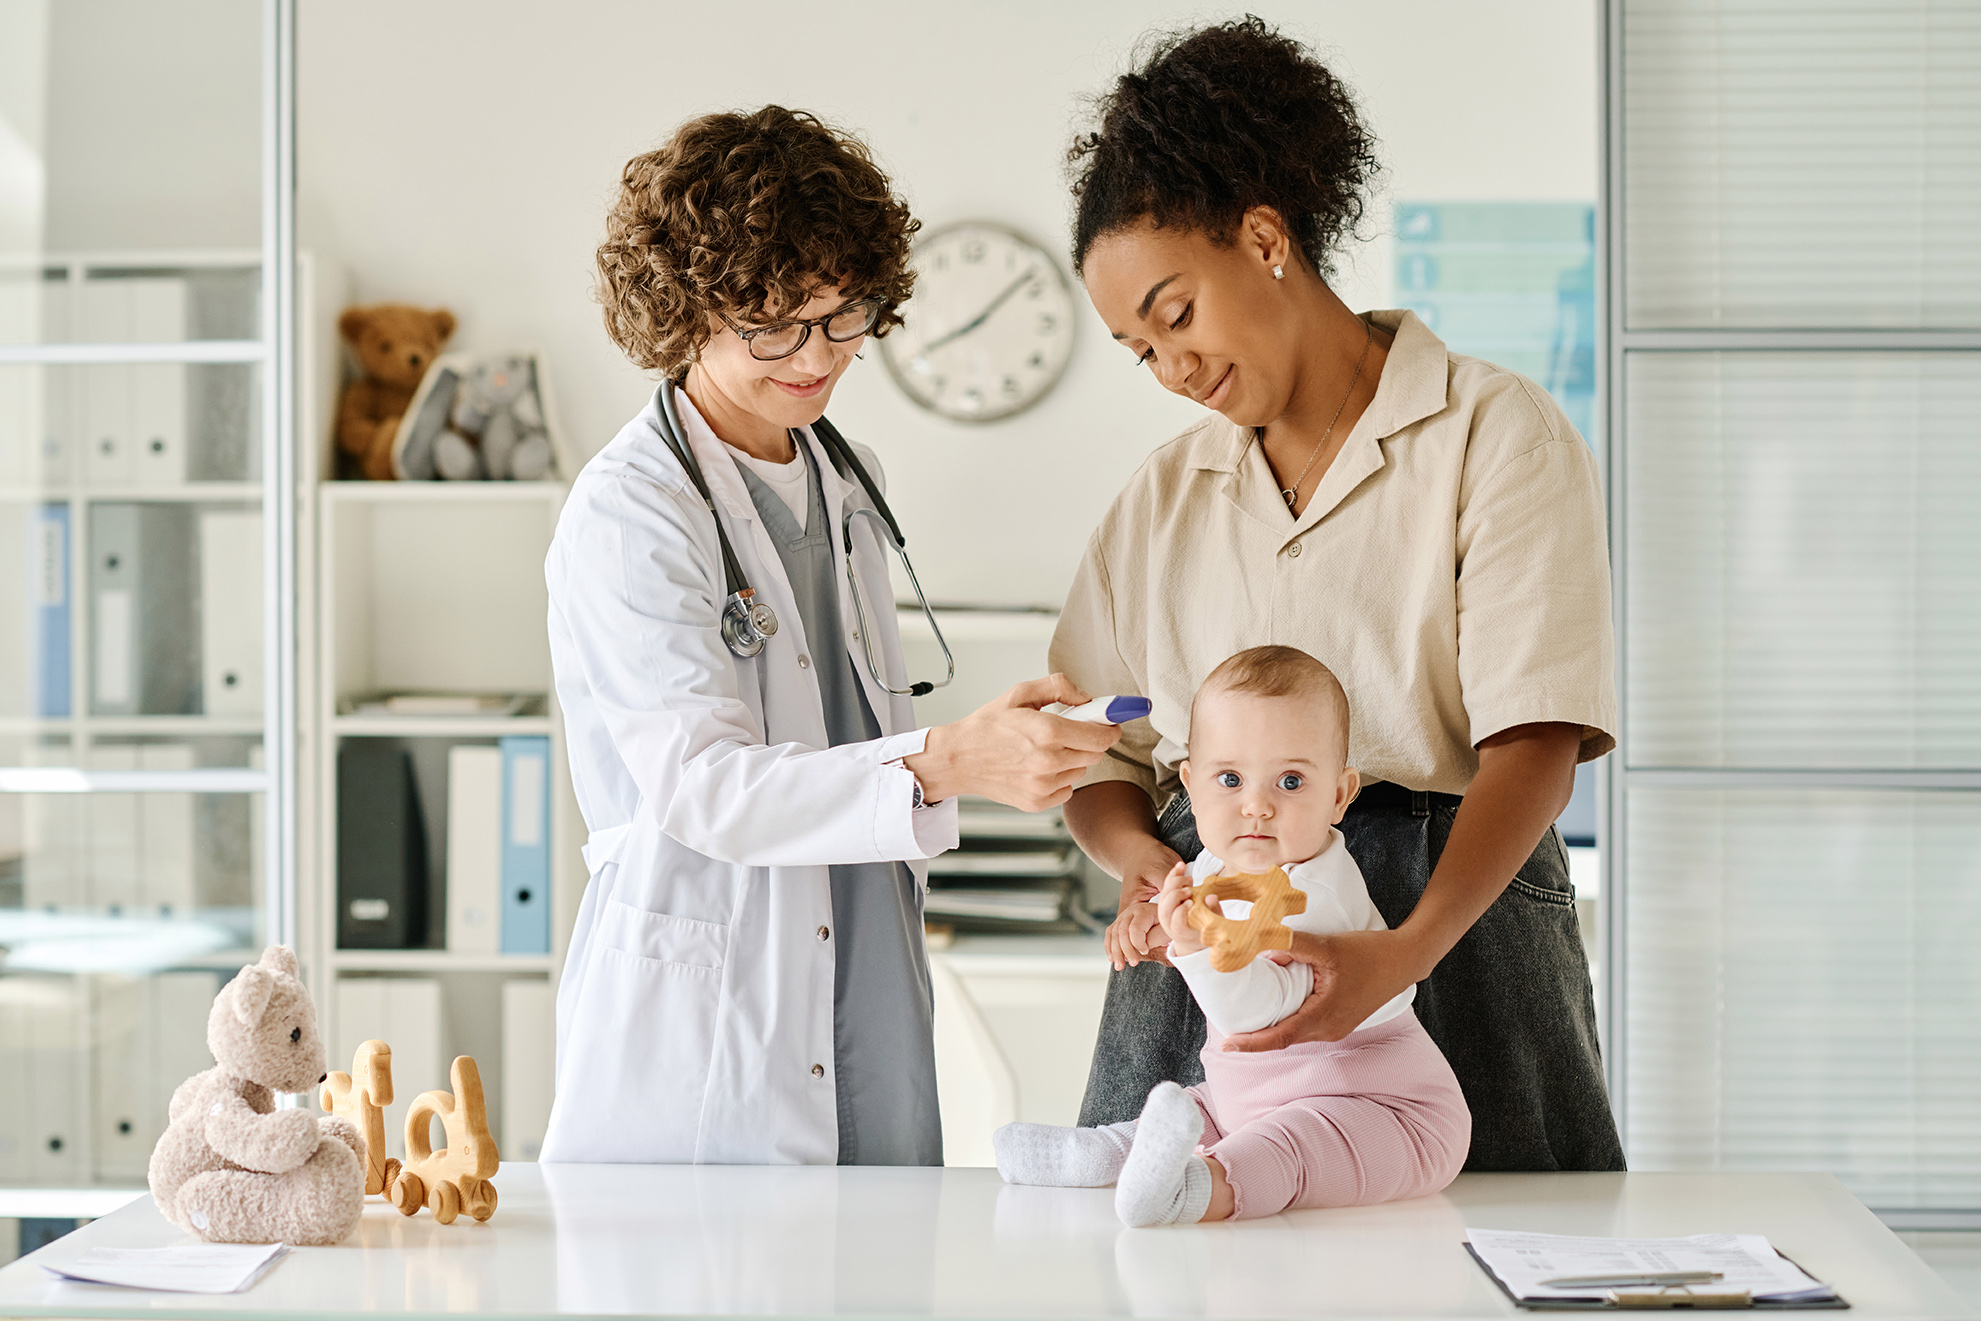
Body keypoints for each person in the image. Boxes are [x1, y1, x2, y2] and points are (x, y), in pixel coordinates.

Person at [1052, 18, 1624, 1171]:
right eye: (1137, 350)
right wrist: (1157, 871)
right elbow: (1098, 748)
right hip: (1214, 934)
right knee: (1184, 1245)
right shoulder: (1162, 499)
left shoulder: (1488, 432)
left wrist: (1402, 949)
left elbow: (1537, 739)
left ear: (1263, 238)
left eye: (1175, 315)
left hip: (1451, 912)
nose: (1172, 369)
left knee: (1486, 1245)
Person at [538, 106, 1120, 1167]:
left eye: (842, 316)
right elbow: (705, 786)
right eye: (774, 324)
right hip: (718, 995)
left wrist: (978, 750)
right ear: (683, 311)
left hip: (865, 944)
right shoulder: (634, 508)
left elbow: (843, 724)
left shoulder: (846, 480)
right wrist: (950, 762)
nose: (818, 358)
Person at [993, 647, 1469, 1226]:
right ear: (1191, 786)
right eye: (1230, 779)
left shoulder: (1320, 894)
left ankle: (1192, 1193)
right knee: (1200, 1108)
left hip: (1384, 1109)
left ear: (1341, 795)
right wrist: (1149, 924)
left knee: (1288, 1147)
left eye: (1290, 781)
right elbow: (1183, 924)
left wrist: (1191, 945)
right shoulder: (1213, 867)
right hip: (1250, 1093)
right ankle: (1090, 1154)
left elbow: (1255, 1013)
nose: (1257, 806)